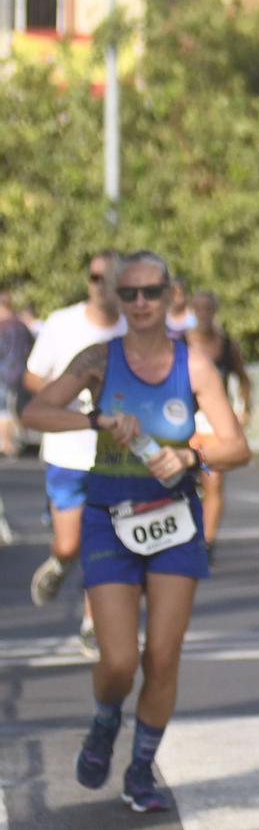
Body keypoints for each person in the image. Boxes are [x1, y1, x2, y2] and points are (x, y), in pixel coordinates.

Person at [22, 249, 250, 814]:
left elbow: (236, 445)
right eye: (130, 294)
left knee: (163, 659)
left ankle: (141, 769)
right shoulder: (99, 357)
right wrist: (95, 419)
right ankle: (104, 723)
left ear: (170, 295)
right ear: (117, 299)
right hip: (109, 518)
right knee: (119, 660)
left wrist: (192, 457)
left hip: (173, 521)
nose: (141, 303)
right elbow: (36, 413)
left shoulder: (191, 363)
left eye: (152, 292)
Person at [24, 250, 126, 657]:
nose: (101, 285)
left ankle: (91, 620)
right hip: (68, 452)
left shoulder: (133, 328)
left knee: (105, 540)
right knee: (70, 543)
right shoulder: (62, 323)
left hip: (115, 456)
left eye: (110, 277)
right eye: (94, 277)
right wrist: (61, 399)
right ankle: (58, 563)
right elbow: (33, 377)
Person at [184, 291, 251, 557]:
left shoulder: (226, 346)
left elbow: (244, 379)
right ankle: (184, 534)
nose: (203, 314)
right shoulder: (179, 343)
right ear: (192, 311)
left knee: (213, 480)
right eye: (198, 308)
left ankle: (207, 542)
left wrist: (243, 410)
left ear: (214, 312)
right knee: (184, 480)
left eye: (207, 308)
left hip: (214, 423)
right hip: (186, 423)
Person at [0, 289, 33, 464]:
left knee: (4, 410)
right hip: (21, 373)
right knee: (16, 408)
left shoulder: (3, 327)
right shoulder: (21, 326)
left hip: (3, 373)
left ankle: (6, 445)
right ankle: (15, 441)